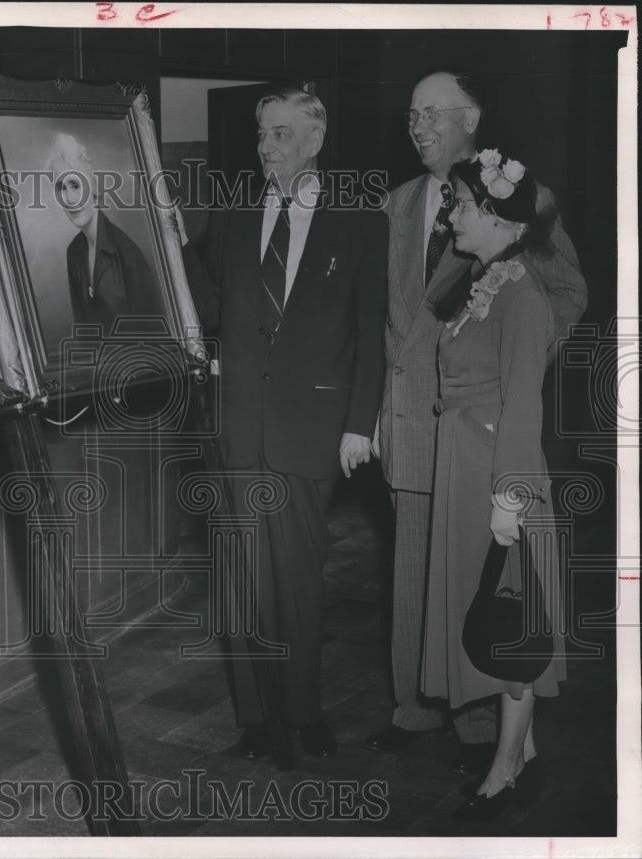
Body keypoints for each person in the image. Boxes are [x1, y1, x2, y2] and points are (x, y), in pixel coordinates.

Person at [366, 71, 586, 776]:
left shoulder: (521, 201)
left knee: (483, 580)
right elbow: (384, 321)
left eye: (433, 113)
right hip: (412, 417)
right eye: (411, 115)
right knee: (416, 576)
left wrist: (505, 372)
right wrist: (376, 411)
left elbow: (568, 293)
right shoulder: (399, 202)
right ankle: (415, 705)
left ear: (471, 120)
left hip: (480, 428)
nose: (418, 127)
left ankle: (484, 727)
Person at [178, 87, 388, 763]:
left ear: (315, 140)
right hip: (239, 424)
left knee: (296, 579)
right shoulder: (233, 215)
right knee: (242, 579)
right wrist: (171, 246)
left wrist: (360, 423)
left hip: (313, 427)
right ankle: (256, 718)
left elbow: (371, 333)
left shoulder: (359, 222)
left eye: (281, 134)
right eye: (262, 134)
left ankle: (302, 712)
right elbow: (210, 310)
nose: (266, 146)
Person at [421, 149, 565, 821]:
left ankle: (503, 771)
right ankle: (524, 756)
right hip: (467, 468)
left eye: (461, 205)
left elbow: (523, 406)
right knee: (491, 622)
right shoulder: (487, 284)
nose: (451, 215)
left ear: (503, 218)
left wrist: (510, 498)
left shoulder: (523, 297)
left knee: (512, 631)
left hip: (499, 479)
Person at [46, 133, 159, 334]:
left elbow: (151, 335)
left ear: (92, 186)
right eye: (61, 188)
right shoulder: (74, 252)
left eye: (75, 185)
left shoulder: (129, 256)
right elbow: (83, 335)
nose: (70, 198)